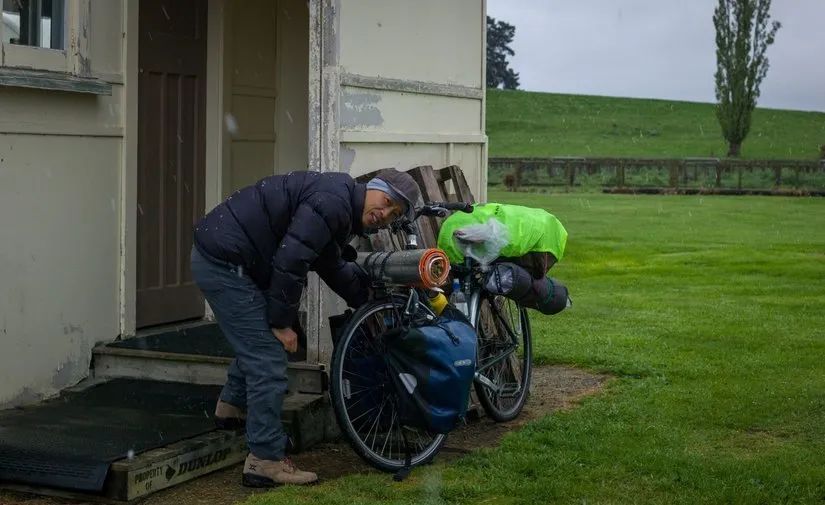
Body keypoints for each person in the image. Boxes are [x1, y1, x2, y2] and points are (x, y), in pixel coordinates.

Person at [191, 168, 422, 487]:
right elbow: (292, 259)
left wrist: (366, 297)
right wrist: (282, 323)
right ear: (373, 189)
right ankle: (265, 461)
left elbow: (330, 263)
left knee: (257, 342)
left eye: (393, 213)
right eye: (385, 202)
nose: (384, 215)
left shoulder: (340, 202)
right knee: (268, 358)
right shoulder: (334, 203)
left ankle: (231, 408)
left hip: (232, 256)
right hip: (225, 262)